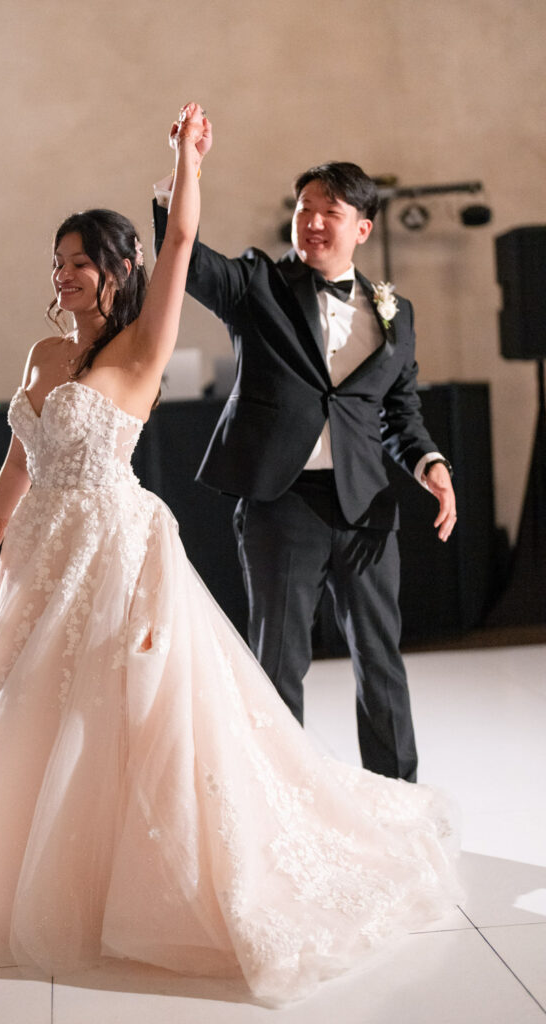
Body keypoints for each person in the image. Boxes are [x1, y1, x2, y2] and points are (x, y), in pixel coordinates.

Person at [0, 105, 460, 1008]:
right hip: (45, 555)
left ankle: (206, 858)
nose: (63, 275)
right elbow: (19, 458)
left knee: (132, 714)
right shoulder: (42, 355)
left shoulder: (146, 344)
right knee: (32, 710)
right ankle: (24, 878)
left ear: (114, 272)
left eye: (79, 261)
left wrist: (185, 161)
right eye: (57, 262)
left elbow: (187, 237)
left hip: (123, 546)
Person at [153, 148, 457, 784]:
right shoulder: (259, 284)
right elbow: (191, 261)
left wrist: (429, 462)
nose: (313, 221)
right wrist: (184, 172)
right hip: (282, 502)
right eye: (304, 209)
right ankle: (281, 807)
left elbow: (398, 412)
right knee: (278, 663)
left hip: (365, 506)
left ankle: (398, 801)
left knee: (381, 660)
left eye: (330, 212)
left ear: (362, 229)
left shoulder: (393, 312)